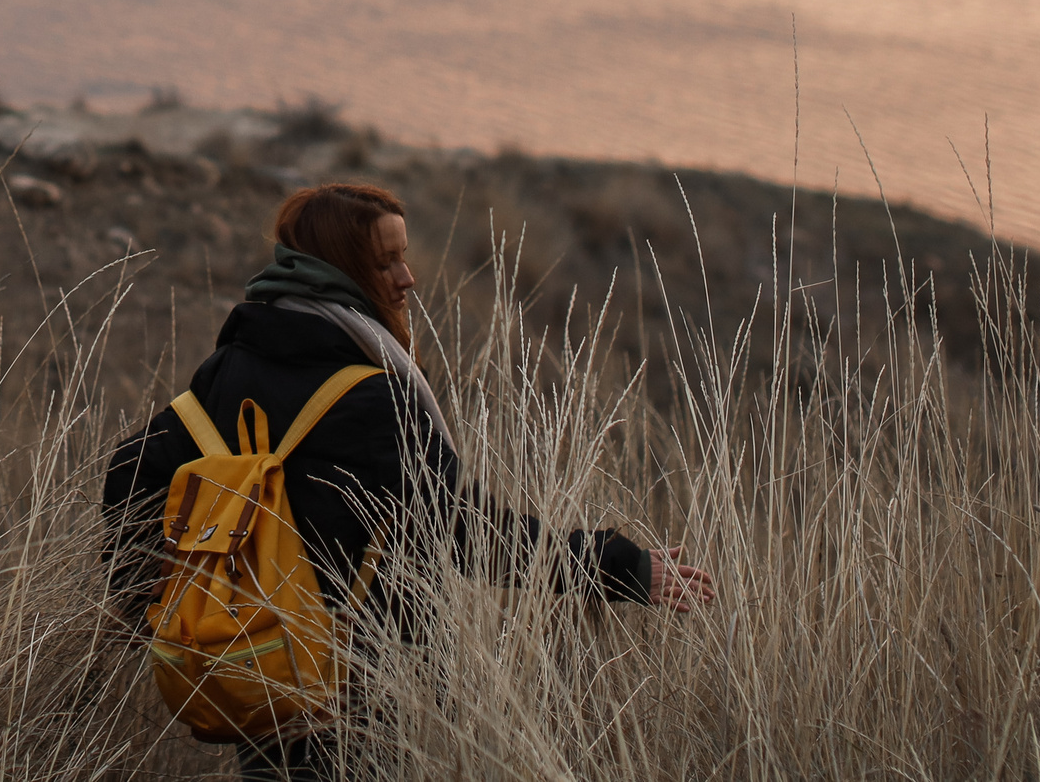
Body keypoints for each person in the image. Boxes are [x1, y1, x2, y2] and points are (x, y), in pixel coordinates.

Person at [103, 181, 715, 780]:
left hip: (258, 663)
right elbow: (463, 528)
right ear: (340, 269)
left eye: (403, 256)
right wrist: (617, 566)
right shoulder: (370, 394)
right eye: (385, 261)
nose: (407, 278)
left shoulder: (232, 365)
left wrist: (154, 606)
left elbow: (131, 472)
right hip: (360, 680)